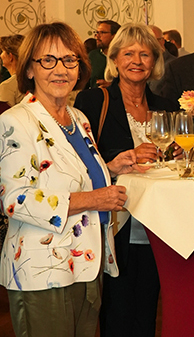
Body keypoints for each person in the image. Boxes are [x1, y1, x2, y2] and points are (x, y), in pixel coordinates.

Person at [0, 21, 140, 336]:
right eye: (48, 60)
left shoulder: (78, 118)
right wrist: (94, 199)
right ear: (30, 69)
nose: (60, 69)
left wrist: (111, 167)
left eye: (69, 60)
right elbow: (14, 199)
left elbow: (65, 173)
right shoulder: (14, 122)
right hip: (42, 269)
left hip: (86, 262)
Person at [75, 23, 179, 337]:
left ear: (155, 62)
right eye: (129, 53)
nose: (137, 60)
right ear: (115, 58)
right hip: (114, 223)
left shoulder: (166, 108)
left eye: (145, 54)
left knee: (148, 306)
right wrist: (119, 161)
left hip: (156, 225)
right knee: (116, 310)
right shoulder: (93, 102)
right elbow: (80, 166)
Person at [90, 20, 120, 89]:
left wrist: (112, 86)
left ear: (114, 36)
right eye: (97, 32)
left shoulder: (123, 57)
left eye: (102, 32)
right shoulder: (92, 56)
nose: (97, 36)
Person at [147, 25, 177, 92]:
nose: (149, 44)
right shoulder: (142, 64)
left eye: (153, 40)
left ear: (162, 41)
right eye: (146, 40)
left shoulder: (173, 65)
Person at [0, 34, 25, 106]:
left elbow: (4, 116)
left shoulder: (7, 86)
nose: (0, 55)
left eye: (2, 51)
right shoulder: (38, 80)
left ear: (10, 57)